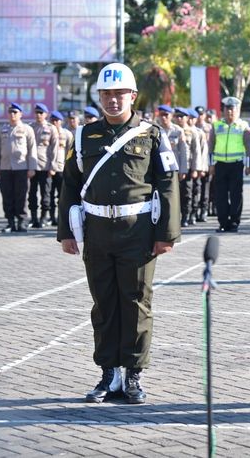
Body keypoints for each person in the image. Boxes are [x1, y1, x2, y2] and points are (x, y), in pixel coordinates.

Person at [57, 62, 181, 404]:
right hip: (97, 233)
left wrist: (166, 234)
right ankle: (108, 374)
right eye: (107, 95)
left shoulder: (152, 135)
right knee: (104, 304)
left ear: (133, 96)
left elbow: (168, 183)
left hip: (138, 233)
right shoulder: (83, 136)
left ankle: (133, 375)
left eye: (119, 94)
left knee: (137, 303)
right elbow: (69, 185)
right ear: (99, 97)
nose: (113, 101)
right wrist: (67, 232)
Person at [209, 96, 250, 233]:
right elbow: (211, 146)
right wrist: (211, 165)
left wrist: (249, 165)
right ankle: (223, 222)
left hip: (236, 165)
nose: (229, 112)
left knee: (236, 195)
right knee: (220, 195)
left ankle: (234, 222)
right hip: (220, 165)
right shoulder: (216, 125)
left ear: (237, 110)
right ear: (223, 110)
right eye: (227, 109)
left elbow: (248, 147)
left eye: (232, 110)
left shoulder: (243, 126)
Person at [0, 103, 37, 233]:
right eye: (10, 112)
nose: (12, 115)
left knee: (21, 196)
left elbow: (32, 149)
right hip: (5, 168)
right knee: (7, 195)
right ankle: (10, 222)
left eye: (15, 112)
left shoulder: (27, 129)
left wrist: (32, 168)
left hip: (21, 168)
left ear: (21, 114)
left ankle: (22, 222)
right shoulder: (3, 129)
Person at [28, 103, 59, 228]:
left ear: (46, 114)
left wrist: (53, 167)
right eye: (36, 112)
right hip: (31, 166)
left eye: (41, 113)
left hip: (45, 166)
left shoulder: (51, 128)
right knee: (31, 194)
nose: (38, 115)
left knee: (46, 194)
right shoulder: (30, 127)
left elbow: (55, 149)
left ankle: (43, 218)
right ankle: (34, 218)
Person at [174, 107, 201, 227]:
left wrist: (196, 168)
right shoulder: (172, 131)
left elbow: (196, 151)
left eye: (182, 116)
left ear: (187, 118)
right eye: (177, 116)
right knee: (175, 194)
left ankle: (187, 215)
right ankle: (177, 216)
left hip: (188, 167)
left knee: (187, 193)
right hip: (174, 167)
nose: (179, 119)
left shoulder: (192, 132)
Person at [48, 110, 73, 227]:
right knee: (49, 194)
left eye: (57, 120)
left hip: (61, 168)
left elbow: (70, 152)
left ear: (61, 121)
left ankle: (60, 217)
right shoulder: (46, 133)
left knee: (61, 195)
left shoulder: (67, 134)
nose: (54, 122)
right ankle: (51, 217)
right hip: (48, 168)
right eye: (52, 120)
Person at [190, 107, 211, 223]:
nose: (199, 116)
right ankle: (195, 211)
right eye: (197, 114)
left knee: (205, 189)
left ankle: (204, 211)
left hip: (205, 161)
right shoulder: (191, 129)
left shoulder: (208, 128)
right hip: (195, 163)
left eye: (201, 114)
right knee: (195, 189)